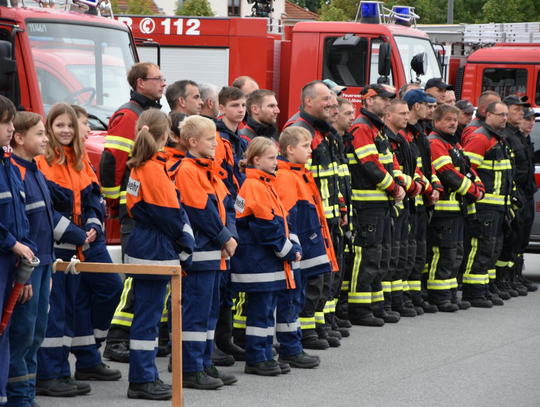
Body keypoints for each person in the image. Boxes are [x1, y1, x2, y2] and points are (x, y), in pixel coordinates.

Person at [36, 103, 122, 397]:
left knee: (86, 300)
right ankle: (50, 375)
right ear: (49, 128)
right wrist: (76, 234)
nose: (65, 131)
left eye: (70, 126)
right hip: (59, 247)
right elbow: (45, 210)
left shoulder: (80, 160)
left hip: (83, 244)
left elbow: (93, 200)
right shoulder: (41, 162)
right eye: (59, 125)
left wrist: (95, 226)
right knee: (57, 312)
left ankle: (78, 359)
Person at [123, 109, 194, 400]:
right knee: (149, 316)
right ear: (165, 136)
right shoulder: (153, 167)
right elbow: (169, 214)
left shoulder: (141, 165)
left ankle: (146, 375)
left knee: (147, 313)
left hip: (144, 242)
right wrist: (185, 238)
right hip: (155, 246)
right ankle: (141, 379)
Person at [100, 62, 164, 362]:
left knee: (144, 280)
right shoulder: (128, 116)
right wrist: (115, 204)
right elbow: (112, 163)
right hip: (134, 211)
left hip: (144, 209)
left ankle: (130, 338)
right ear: (141, 83)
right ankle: (116, 340)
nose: (163, 83)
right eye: (157, 78)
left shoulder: (145, 114)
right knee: (135, 279)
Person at [173, 115, 238, 389]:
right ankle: (190, 369)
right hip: (200, 255)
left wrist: (231, 235)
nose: (215, 144)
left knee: (209, 313)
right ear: (192, 142)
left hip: (216, 255)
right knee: (195, 314)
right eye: (211, 139)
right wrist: (225, 237)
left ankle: (204, 362)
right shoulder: (188, 170)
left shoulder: (208, 168)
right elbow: (201, 210)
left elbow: (228, 204)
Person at [231, 137, 301, 376]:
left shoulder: (263, 183)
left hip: (263, 259)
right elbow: (265, 226)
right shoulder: (254, 185)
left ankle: (263, 354)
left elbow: (279, 220)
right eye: (271, 158)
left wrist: (290, 244)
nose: (276, 162)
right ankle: (257, 357)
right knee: (260, 311)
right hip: (258, 259)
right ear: (256, 159)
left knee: (266, 308)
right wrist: (287, 251)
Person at [285, 80, 344, 347]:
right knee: (310, 275)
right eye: (326, 100)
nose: (333, 104)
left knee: (324, 273)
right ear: (309, 101)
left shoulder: (323, 130)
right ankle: (306, 329)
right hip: (308, 217)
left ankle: (320, 322)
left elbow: (336, 176)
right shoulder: (299, 129)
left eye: (333, 100)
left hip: (326, 214)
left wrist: (342, 208)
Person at [275, 126, 338, 369]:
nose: (311, 150)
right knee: (290, 301)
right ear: (290, 149)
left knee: (296, 299)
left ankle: (293, 347)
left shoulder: (298, 173)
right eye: (305, 146)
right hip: (294, 253)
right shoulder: (287, 176)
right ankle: (290, 349)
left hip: (302, 251)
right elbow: (287, 219)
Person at [344, 84, 405, 326]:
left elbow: (390, 162)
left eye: (390, 98)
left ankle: (376, 306)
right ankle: (360, 309)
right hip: (367, 205)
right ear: (368, 101)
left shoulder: (377, 129)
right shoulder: (362, 127)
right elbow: (370, 165)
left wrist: (399, 184)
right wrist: (394, 187)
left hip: (382, 204)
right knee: (367, 256)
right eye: (383, 98)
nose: (388, 102)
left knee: (380, 256)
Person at [7, 111, 53, 407]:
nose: (45, 138)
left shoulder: (35, 170)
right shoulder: (16, 172)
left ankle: (28, 395)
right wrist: (22, 275)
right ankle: (18, 399)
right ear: (19, 138)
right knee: (22, 334)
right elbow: (20, 227)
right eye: (39, 133)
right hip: (28, 266)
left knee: (36, 333)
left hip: (44, 263)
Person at [426, 104, 484, 312]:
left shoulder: (454, 144)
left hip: (456, 209)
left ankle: (450, 294)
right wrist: (474, 191)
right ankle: (438, 296)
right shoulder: (435, 142)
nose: (452, 123)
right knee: (443, 253)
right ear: (437, 121)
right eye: (448, 119)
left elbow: (468, 170)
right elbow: (447, 173)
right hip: (443, 210)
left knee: (456, 253)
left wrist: (478, 186)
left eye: (454, 119)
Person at [0, 96, 36, 407]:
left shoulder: (7, 165)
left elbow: (20, 217)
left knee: (7, 337)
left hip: (10, 263)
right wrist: (12, 244)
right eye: (5, 122)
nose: (12, 127)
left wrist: (25, 256)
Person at [462, 101, 512, 307]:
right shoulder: (481, 138)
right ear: (488, 115)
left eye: (506, 115)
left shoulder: (498, 138)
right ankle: (473, 292)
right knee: (481, 248)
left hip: (498, 206)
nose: (505, 119)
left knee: (492, 249)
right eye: (501, 115)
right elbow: (467, 169)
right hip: (485, 206)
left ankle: (485, 288)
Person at [384, 99, 425, 317]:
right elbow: (395, 172)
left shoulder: (403, 140)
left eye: (407, 113)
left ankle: (399, 300)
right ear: (388, 115)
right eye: (402, 114)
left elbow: (416, 168)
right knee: (391, 257)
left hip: (408, 203)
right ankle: (389, 303)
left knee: (403, 256)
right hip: (396, 203)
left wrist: (424, 185)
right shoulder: (388, 140)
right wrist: (414, 186)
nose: (406, 118)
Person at [402, 89, 441, 313]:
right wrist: (426, 187)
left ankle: (415, 295)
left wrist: (434, 186)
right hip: (412, 200)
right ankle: (405, 297)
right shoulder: (406, 134)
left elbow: (427, 165)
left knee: (418, 252)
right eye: (429, 106)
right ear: (417, 106)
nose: (432, 110)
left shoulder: (420, 132)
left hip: (420, 200)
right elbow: (413, 168)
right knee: (407, 254)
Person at [497, 96, 537, 295]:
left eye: (524, 111)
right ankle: (503, 279)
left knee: (521, 238)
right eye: (518, 110)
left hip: (526, 194)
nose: (522, 114)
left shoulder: (520, 136)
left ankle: (514, 275)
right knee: (510, 238)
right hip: (515, 194)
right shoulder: (505, 136)